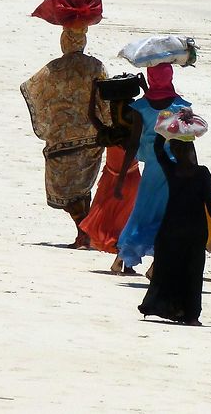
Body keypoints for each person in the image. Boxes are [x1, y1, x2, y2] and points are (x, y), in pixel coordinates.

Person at [21, 25, 108, 248]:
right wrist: (108, 127)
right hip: (92, 135)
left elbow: (31, 89)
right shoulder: (95, 66)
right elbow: (105, 99)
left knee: (65, 188)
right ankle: (85, 232)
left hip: (61, 137)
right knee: (82, 186)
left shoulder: (53, 68)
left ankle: (83, 231)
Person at [139, 130, 211, 326]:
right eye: (176, 148)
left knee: (189, 272)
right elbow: (158, 149)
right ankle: (186, 313)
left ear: (189, 150)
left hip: (182, 230)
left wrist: (166, 131)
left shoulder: (181, 171)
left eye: (181, 148)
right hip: (180, 230)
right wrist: (165, 130)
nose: (179, 152)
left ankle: (190, 314)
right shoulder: (187, 171)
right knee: (179, 270)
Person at [115, 64, 190, 273]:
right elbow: (186, 140)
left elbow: (132, 144)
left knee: (142, 212)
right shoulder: (180, 106)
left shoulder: (142, 106)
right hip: (174, 167)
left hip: (153, 167)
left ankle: (122, 258)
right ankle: (157, 263)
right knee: (167, 215)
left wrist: (121, 177)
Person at [79, 74, 144, 272]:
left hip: (114, 179)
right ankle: (125, 262)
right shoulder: (131, 137)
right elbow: (150, 109)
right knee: (126, 222)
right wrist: (145, 86)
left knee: (114, 223)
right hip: (130, 179)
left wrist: (93, 91)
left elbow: (91, 116)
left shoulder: (110, 135)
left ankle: (123, 260)